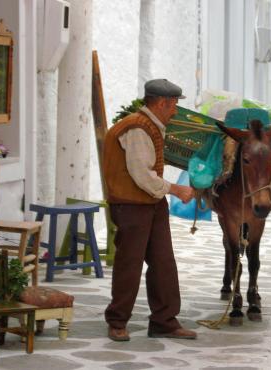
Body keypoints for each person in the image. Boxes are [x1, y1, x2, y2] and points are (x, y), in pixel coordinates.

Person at [103, 79, 197, 341]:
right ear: (162, 103)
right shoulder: (137, 129)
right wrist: (176, 190)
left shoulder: (150, 126)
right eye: (174, 105)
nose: (175, 111)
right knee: (129, 265)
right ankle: (117, 321)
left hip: (151, 204)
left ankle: (164, 321)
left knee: (163, 262)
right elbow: (142, 176)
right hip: (132, 205)